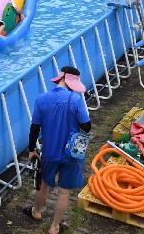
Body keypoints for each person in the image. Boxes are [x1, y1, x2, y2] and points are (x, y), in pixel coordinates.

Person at [24, 66, 91, 234]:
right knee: (64, 192)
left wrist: (32, 149)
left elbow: (34, 128)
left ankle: (36, 212)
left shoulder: (41, 99)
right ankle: (54, 227)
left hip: (49, 152)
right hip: (71, 154)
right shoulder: (76, 100)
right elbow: (87, 127)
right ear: (72, 83)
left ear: (60, 79)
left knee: (44, 184)